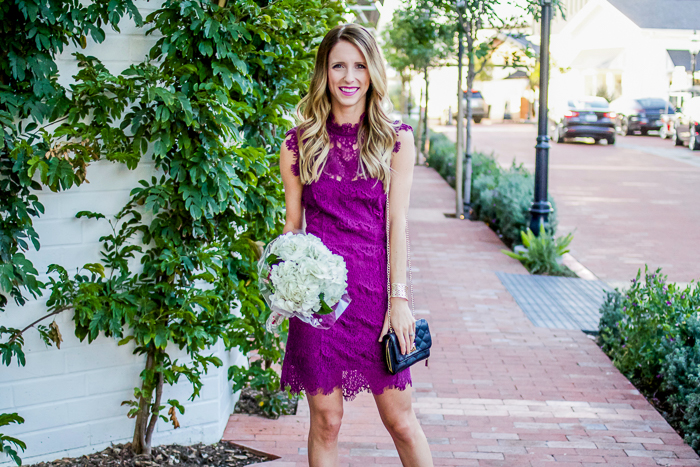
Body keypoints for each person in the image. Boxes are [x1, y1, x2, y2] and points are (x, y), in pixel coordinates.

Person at [278, 23, 433, 467]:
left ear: (373, 72)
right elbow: (293, 227)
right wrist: (282, 285)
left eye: (360, 65)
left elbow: (397, 222)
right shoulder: (298, 145)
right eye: (338, 65)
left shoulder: (395, 139)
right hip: (321, 306)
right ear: (324, 73)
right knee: (326, 421)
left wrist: (398, 299)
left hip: (376, 300)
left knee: (401, 421)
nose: (349, 76)